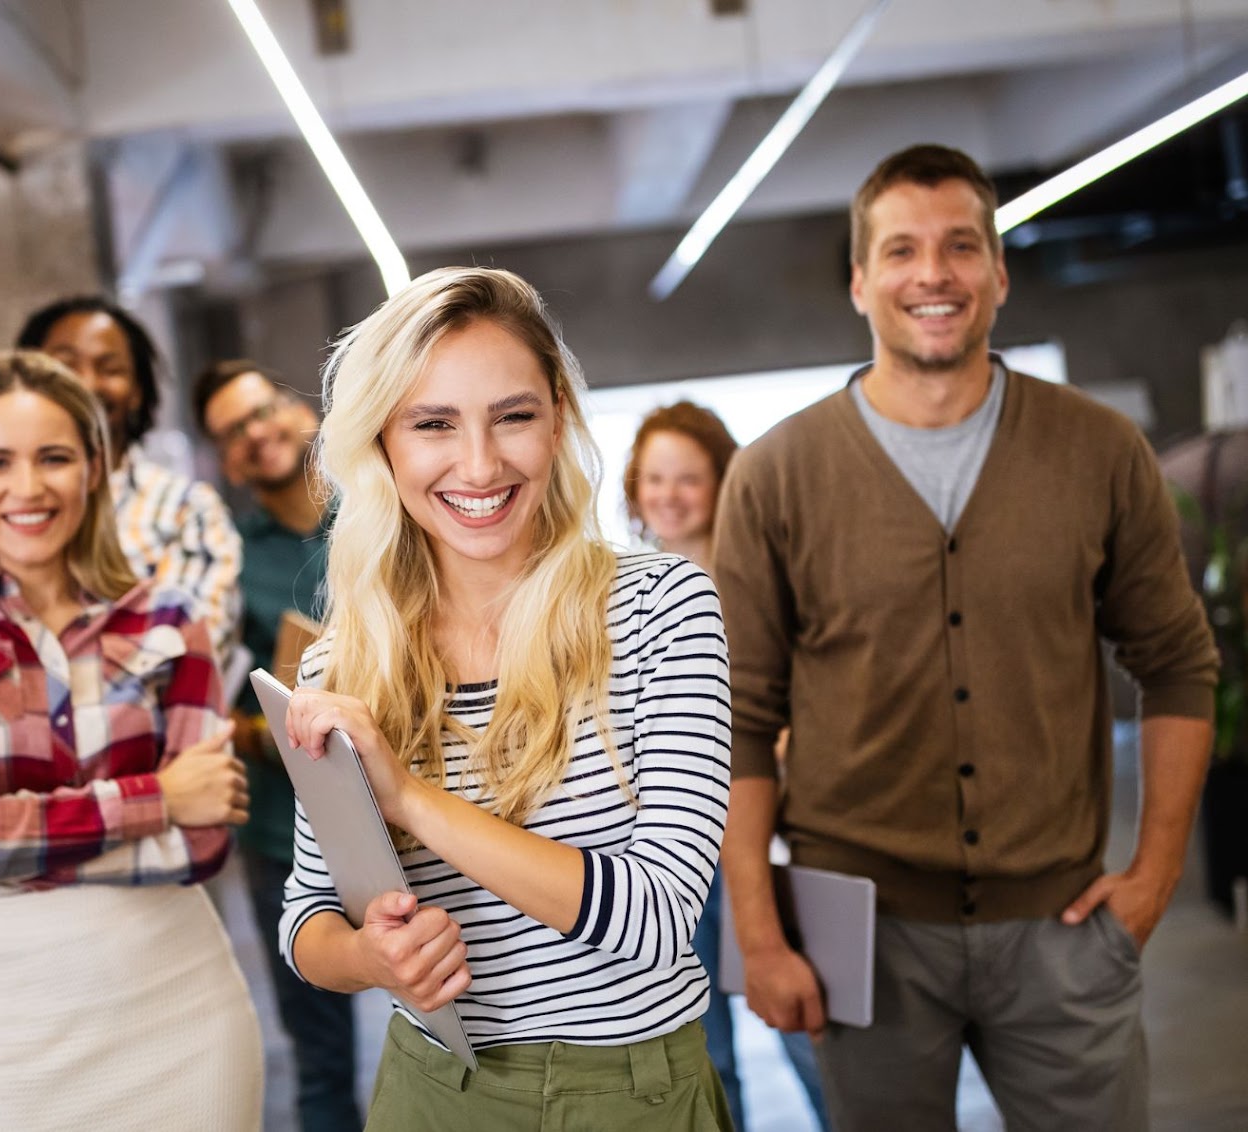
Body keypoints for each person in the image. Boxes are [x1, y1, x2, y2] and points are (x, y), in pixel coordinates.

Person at [714, 144, 1218, 1132]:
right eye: (900, 249)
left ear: (998, 271)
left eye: (959, 246)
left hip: (1065, 921)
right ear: (861, 281)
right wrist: (758, 933)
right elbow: (737, 722)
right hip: (857, 927)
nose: (932, 273)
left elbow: (1177, 665)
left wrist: (1154, 875)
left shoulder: (1098, 450)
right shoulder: (776, 475)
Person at [277, 266, 735, 1130]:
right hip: (430, 1090)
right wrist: (372, 959)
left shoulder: (662, 608)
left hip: (630, 1096)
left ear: (557, 414)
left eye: (512, 416)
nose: (480, 465)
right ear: (384, 442)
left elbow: (660, 915)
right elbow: (306, 919)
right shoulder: (345, 662)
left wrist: (408, 797)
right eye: (434, 424)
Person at [0, 351, 263, 1131]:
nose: (27, 488)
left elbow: (205, 842)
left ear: (94, 468)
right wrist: (158, 797)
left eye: (54, 457)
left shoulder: (168, 621)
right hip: (24, 1030)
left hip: (186, 1011)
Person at [624, 401, 832, 1132]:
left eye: (688, 478)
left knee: (810, 1025)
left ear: (723, 482)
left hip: (769, 836)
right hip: (668, 851)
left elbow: (803, 699)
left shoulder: (759, 580)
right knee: (702, 1048)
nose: (669, 495)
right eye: (654, 478)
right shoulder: (620, 588)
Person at [193, 358, 363, 1132]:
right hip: (286, 833)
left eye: (261, 411)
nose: (256, 434)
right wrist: (265, 729)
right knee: (320, 1052)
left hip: (426, 800)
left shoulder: (379, 512)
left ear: (298, 409)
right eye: (233, 432)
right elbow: (212, 705)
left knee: (474, 1015)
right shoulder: (227, 561)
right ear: (225, 459)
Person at [0, 295, 242, 660]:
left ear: (138, 391)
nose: (87, 383)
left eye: (110, 368)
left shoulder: (186, 508)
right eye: (65, 365)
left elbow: (190, 656)